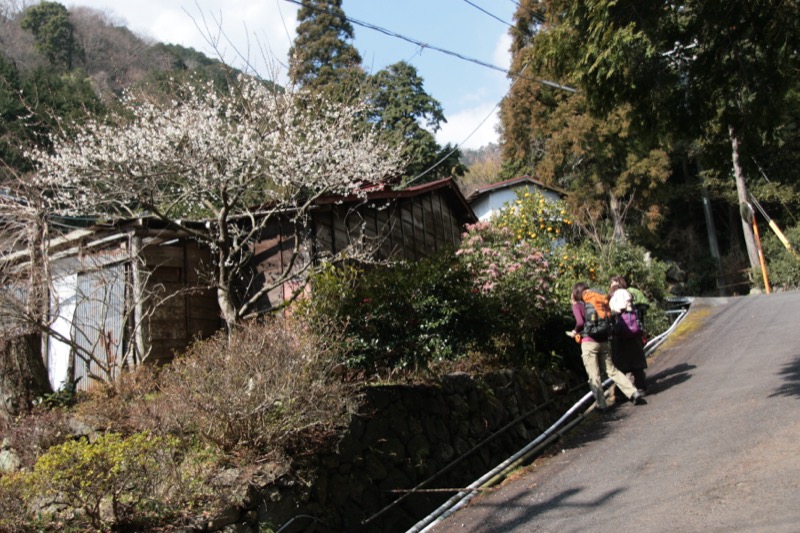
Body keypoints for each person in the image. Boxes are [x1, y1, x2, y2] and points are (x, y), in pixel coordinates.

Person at [568, 282, 646, 411]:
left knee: (594, 375)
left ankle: (601, 405)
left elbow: (580, 322)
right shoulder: (596, 299)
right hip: (603, 340)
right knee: (612, 371)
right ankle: (633, 392)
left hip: (589, 342)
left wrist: (575, 331)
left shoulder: (577, 305)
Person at [609, 275, 648, 394]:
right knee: (637, 363)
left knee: (621, 366)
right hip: (634, 332)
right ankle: (641, 387)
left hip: (621, 335)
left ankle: (622, 393)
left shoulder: (616, 295)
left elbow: (614, 311)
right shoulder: (630, 294)